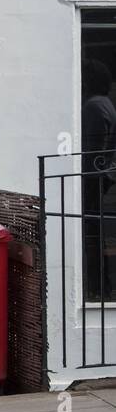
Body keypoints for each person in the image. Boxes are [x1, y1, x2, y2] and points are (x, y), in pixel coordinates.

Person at [81, 58, 116, 299]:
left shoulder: (94, 105)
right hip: (101, 177)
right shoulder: (105, 104)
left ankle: (98, 286)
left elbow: (95, 151)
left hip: (94, 179)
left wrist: (90, 176)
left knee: (93, 233)